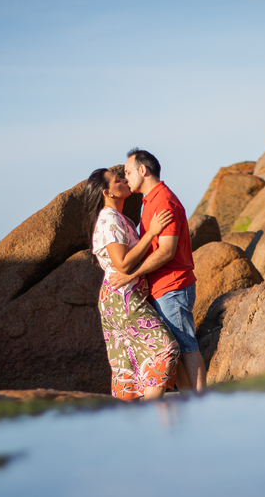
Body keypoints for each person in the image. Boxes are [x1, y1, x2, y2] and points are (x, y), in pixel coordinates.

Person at [106, 148, 207, 394]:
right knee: (178, 349)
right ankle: (190, 402)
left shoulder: (163, 200)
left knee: (186, 346)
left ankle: (203, 406)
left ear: (143, 170)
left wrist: (130, 275)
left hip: (172, 285)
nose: (126, 178)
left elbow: (167, 251)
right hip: (162, 287)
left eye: (128, 172)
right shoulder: (150, 201)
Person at [85, 166, 180, 401]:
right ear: (108, 192)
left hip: (122, 297)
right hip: (122, 299)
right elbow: (123, 264)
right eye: (118, 179)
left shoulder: (119, 218)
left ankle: (137, 429)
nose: (124, 180)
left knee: (129, 366)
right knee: (166, 349)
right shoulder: (110, 220)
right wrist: (152, 233)